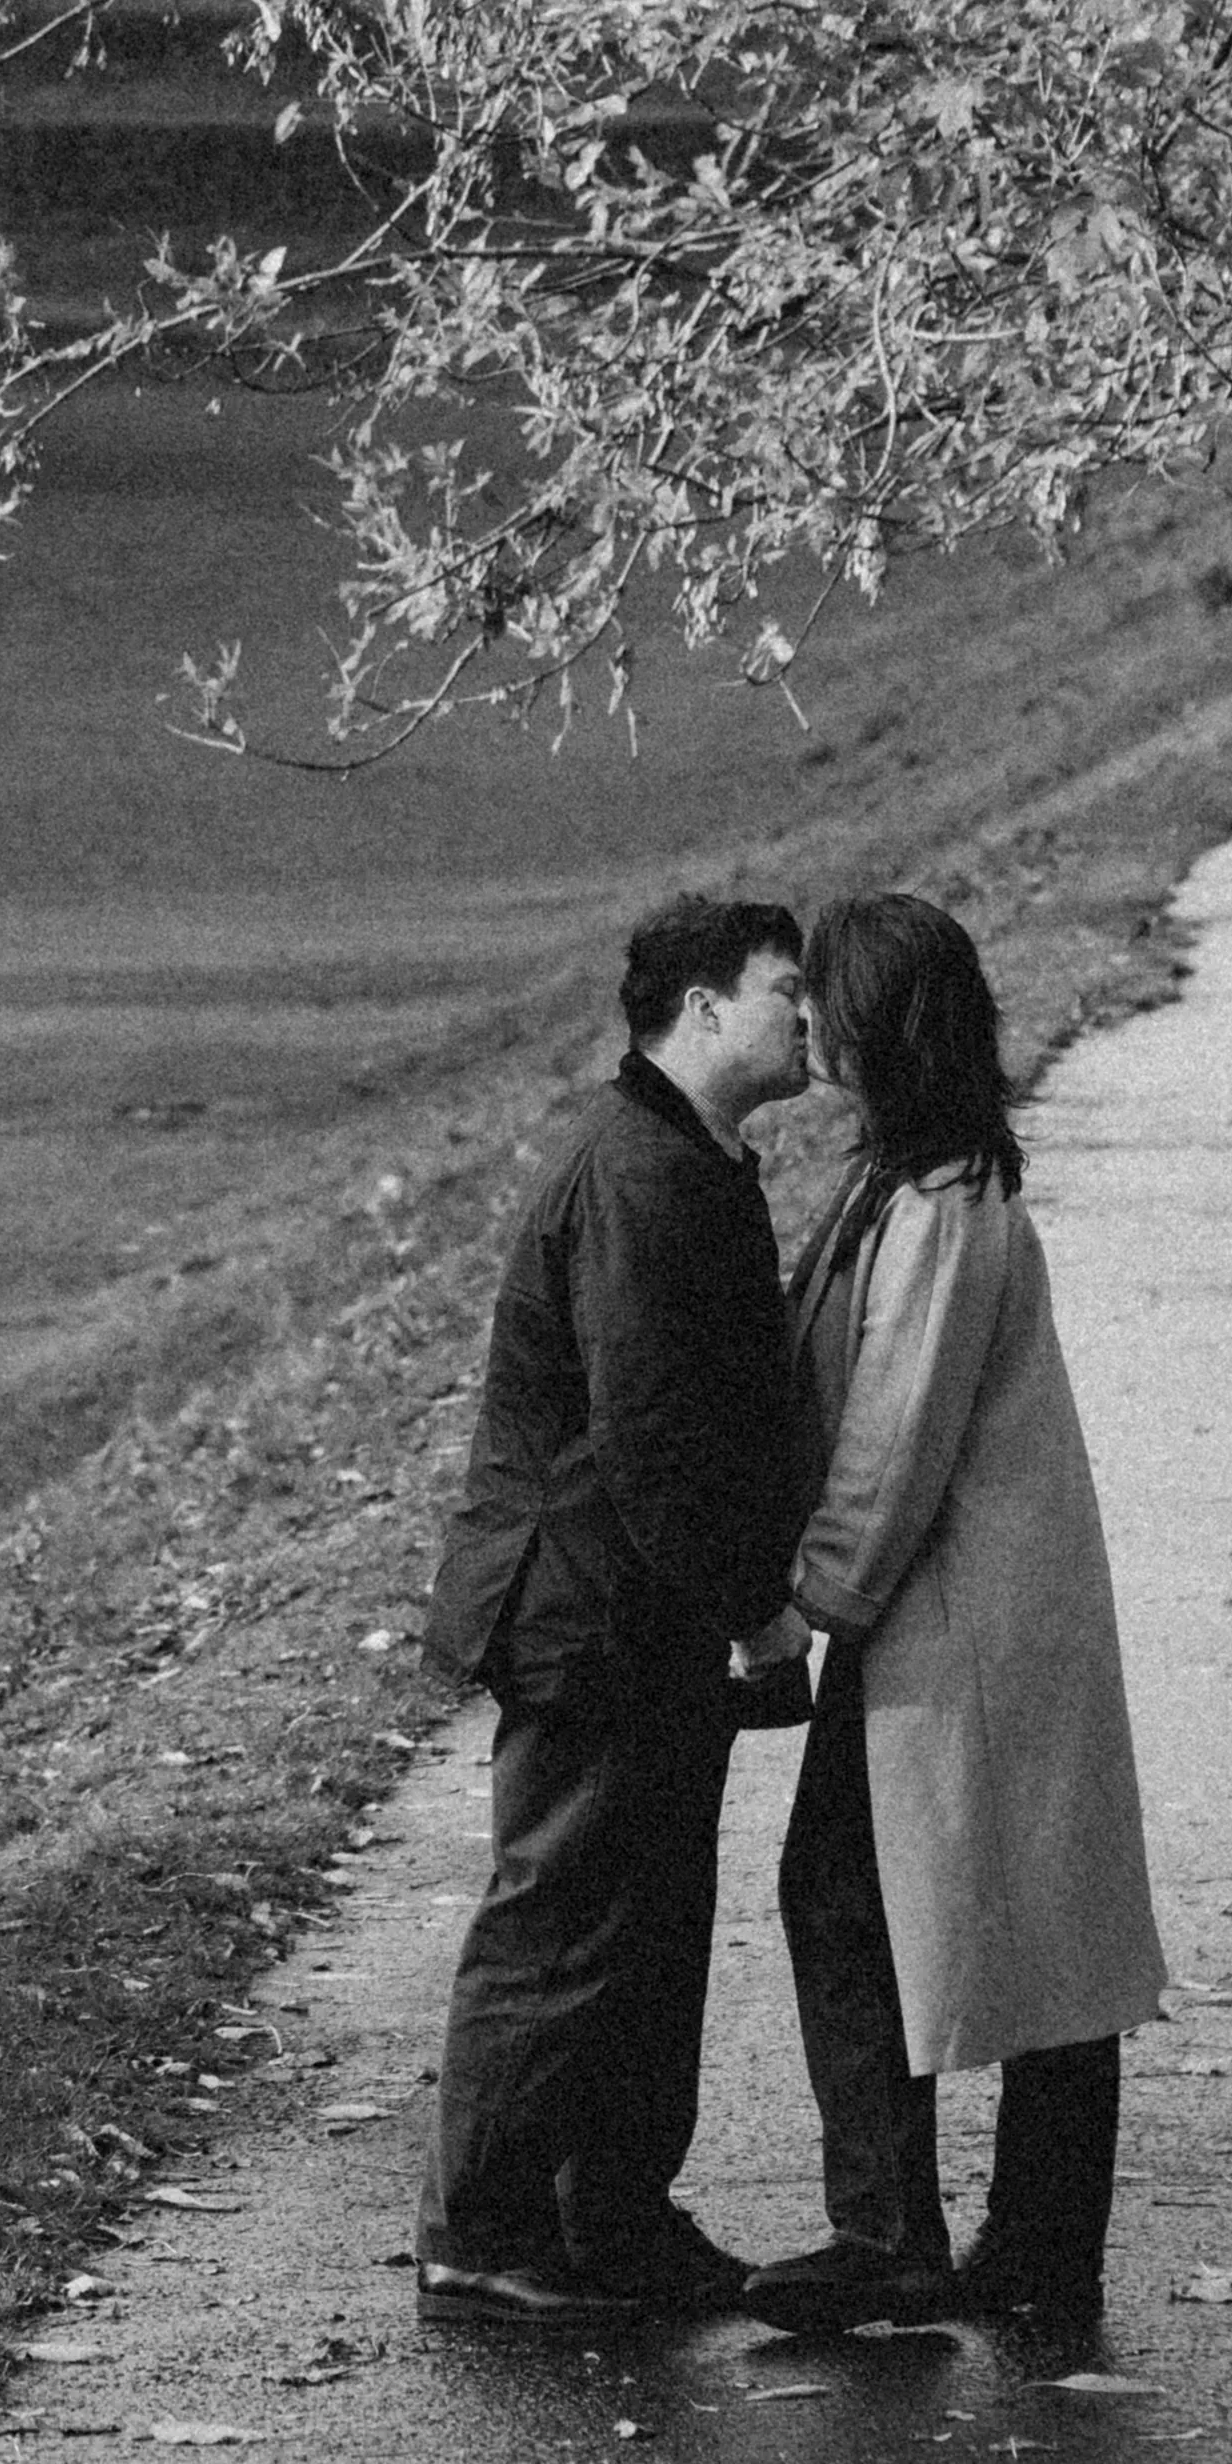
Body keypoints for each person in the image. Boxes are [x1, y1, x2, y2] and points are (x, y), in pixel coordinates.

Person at [743, 890, 1167, 2350]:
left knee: (846, 1899)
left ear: (883, 1033)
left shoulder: (936, 1212)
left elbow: (891, 1443)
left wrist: (805, 1608)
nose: (816, 1036)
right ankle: (1036, 2245)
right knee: (1047, 1920)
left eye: (834, 1016)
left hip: (953, 1624)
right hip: (990, 1613)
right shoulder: (938, 1185)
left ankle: (895, 2238)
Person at [414, 891, 820, 2322]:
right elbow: (653, 1440)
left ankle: (614, 2218)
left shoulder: (683, 1155)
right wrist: (759, 1611)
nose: (808, 1015)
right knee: (564, 1923)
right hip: (585, 1613)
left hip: (629, 1609)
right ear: (703, 1013)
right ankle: (487, 2235)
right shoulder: (640, 1177)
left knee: (650, 1923)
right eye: (786, 990)